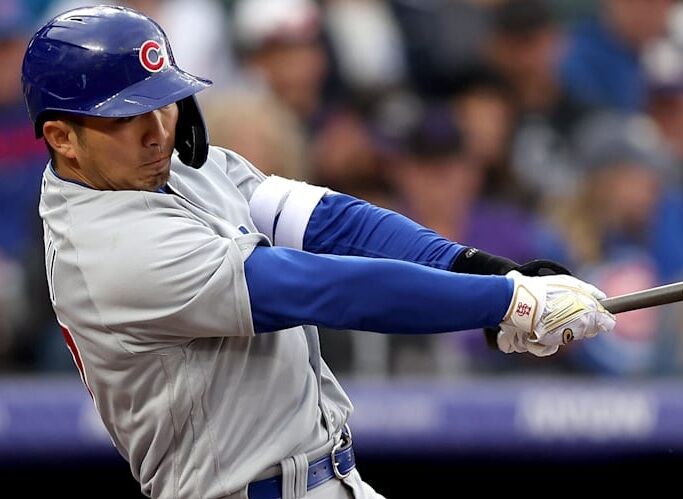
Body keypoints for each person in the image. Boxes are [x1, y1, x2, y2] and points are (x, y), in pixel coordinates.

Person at [21, 6, 616, 499]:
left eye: (165, 102)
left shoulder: (170, 168)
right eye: (127, 116)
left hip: (329, 474)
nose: (159, 131)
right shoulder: (107, 249)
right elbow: (320, 286)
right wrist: (504, 302)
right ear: (62, 138)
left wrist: (481, 268)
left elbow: (332, 222)